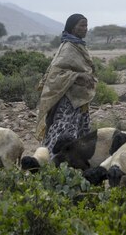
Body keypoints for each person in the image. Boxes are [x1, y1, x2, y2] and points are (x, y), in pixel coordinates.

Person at [36, 13, 97, 158]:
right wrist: (78, 76)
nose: (85, 29)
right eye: (81, 25)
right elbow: (56, 73)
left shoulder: (79, 45)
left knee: (79, 131)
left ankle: (75, 163)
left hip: (79, 100)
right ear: (72, 27)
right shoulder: (68, 47)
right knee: (62, 132)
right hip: (68, 102)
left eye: (86, 25)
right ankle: (49, 160)